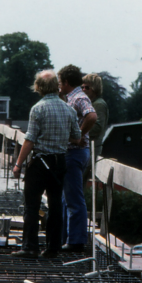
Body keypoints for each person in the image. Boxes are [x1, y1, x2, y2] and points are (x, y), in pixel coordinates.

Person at [12, 70, 80, 259]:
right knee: (55, 205)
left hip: (41, 162)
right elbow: (76, 136)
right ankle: (53, 248)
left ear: (39, 87)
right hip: (59, 162)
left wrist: (18, 164)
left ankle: (30, 247)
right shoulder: (69, 109)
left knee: (32, 206)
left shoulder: (38, 108)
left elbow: (30, 139)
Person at [57, 65, 97, 252]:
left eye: (59, 82)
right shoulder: (70, 98)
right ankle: (68, 237)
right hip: (72, 153)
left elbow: (92, 115)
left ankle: (76, 241)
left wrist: (79, 135)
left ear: (66, 82)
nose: (58, 86)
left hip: (75, 152)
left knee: (74, 198)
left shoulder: (79, 97)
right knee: (67, 197)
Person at [81, 73, 108, 154]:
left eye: (87, 87)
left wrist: (79, 132)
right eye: (82, 87)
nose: (83, 90)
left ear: (95, 88)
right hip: (86, 146)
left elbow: (97, 128)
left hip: (92, 148)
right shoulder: (89, 103)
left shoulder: (99, 104)